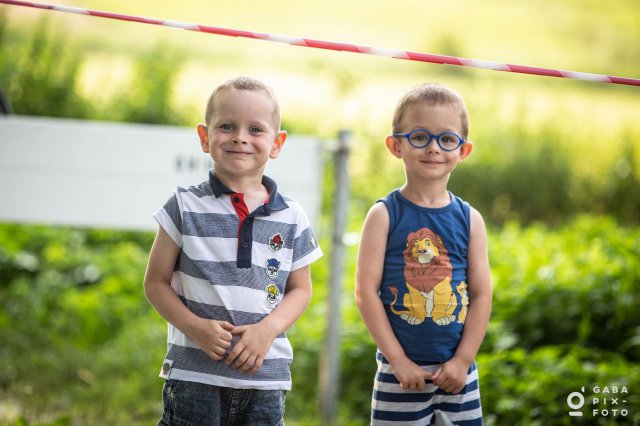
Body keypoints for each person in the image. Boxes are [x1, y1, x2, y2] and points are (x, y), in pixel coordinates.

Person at [144, 76, 323, 426]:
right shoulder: (184, 206)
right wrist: (194, 327)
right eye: (227, 126)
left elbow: (301, 290)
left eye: (256, 130)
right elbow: (156, 283)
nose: (240, 137)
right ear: (204, 137)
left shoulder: (292, 216)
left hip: (265, 377)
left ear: (277, 143)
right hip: (196, 377)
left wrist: (267, 330)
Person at [354, 83, 492, 425]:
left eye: (447, 139)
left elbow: (481, 293)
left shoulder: (469, 219)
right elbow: (365, 292)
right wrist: (398, 360)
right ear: (396, 145)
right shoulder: (384, 215)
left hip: (458, 375)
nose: (433, 148)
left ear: (463, 150)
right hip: (400, 374)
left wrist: (463, 361)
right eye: (419, 137)